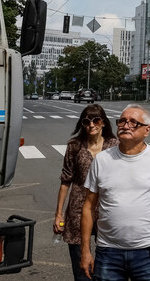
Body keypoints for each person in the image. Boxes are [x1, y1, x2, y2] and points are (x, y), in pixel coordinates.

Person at [80, 105, 150, 280]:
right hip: (108, 252)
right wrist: (85, 250)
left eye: (133, 122)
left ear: (146, 130)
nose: (126, 125)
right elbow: (88, 206)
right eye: (122, 121)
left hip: (149, 252)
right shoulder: (102, 160)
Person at [54, 105, 117, 281]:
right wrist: (59, 214)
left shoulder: (114, 146)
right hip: (78, 208)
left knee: (109, 261)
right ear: (82, 124)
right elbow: (66, 180)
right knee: (81, 264)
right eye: (86, 121)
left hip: (107, 207)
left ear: (103, 122)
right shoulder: (75, 146)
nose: (91, 125)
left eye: (96, 120)